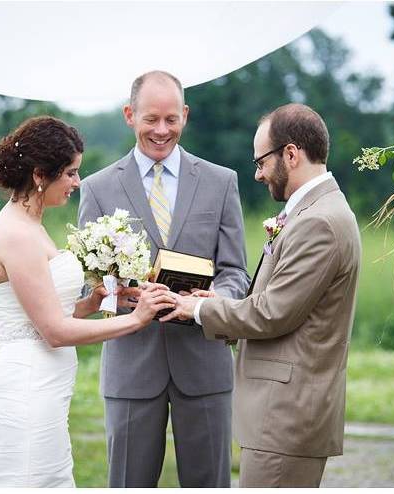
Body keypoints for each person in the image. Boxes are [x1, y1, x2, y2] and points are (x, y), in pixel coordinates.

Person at [0, 116, 175, 487]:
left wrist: (92, 303)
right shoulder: (17, 235)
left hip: (44, 392)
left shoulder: (30, 224)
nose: (77, 182)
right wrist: (137, 319)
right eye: (70, 173)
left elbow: (38, 312)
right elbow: (53, 331)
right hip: (25, 390)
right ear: (41, 175)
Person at [162, 103, 361, 487]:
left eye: (261, 161)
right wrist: (215, 300)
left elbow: (272, 313)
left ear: (291, 153)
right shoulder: (314, 212)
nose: (257, 174)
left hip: (286, 416)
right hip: (280, 416)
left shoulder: (318, 221)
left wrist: (198, 308)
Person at [78, 71, 249, 487]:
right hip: (131, 367)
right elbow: (89, 287)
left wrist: (209, 302)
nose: (161, 130)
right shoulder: (96, 188)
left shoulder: (221, 182)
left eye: (171, 119)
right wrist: (126, 298)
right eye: (151, 119)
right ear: (129, 115)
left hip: (204, 364)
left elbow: (235, 273)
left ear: (185, 116)